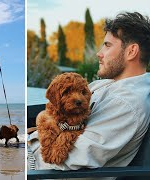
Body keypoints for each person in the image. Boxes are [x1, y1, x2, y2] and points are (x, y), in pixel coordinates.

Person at [28, 11, 150, 172]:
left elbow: (67, 160)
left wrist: (30, 144)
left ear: (131, 51)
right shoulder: (105, 84)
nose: (99, 53)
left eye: (107, 45)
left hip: (38, 166)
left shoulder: (126, 103)